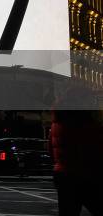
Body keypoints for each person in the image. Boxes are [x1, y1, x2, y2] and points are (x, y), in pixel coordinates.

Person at [49, 87, 103, 216]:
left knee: (68, 211)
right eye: (89, 99)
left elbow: (51, 149)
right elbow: (96, 147)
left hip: (63, 175)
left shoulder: (57, 122)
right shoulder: (84, 122)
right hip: (85, 175)